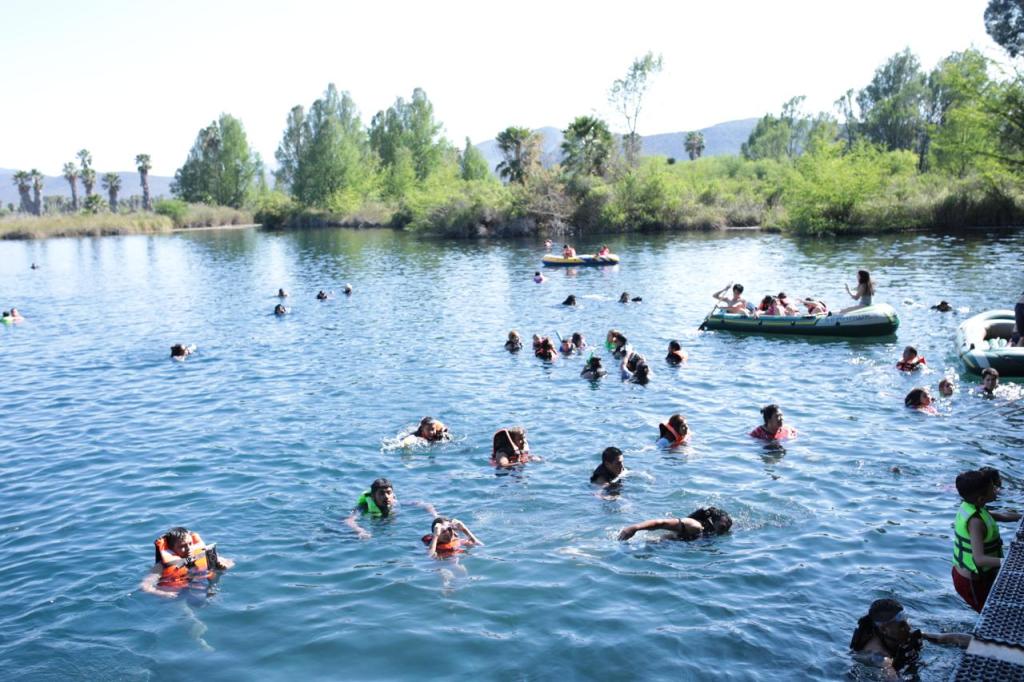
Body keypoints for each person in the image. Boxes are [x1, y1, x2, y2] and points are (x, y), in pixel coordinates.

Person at [952, 468, 1021, 612]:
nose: (996, 490)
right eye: (992, 489)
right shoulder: (975, 522)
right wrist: (1010, 562)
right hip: (970, 582)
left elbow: (997, 516)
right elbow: (979, 559)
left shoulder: (973, 506)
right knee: (990, 612)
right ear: (980, 498)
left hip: (980, 575)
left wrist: (1020, 516)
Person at [850, 598, 970, 676]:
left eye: (907, 621)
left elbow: (943, 638)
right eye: (902, 626)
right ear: (884, 629)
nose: (908, 628)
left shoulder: (897, 632)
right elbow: (891, 676)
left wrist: (983, 646)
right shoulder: (878, 656)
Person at [140, 527, 235, 599]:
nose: (189, 549)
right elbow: (145, 586)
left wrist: (222, 566)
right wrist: (164, 594)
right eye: (183, 546)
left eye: (190, 544)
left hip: (202, 586)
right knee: (192, 620)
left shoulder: (202, 555)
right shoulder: (161, 566)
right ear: (172, 549)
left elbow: (231, 562)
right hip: (178, 595)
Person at [618, 507, 733, 541]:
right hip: (659, 544)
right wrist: (634, 528)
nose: (724, 531)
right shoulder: (694, 525)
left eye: (726, 528)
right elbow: (661, 523)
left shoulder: (715, 529)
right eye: (722, 527)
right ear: (713, 521)